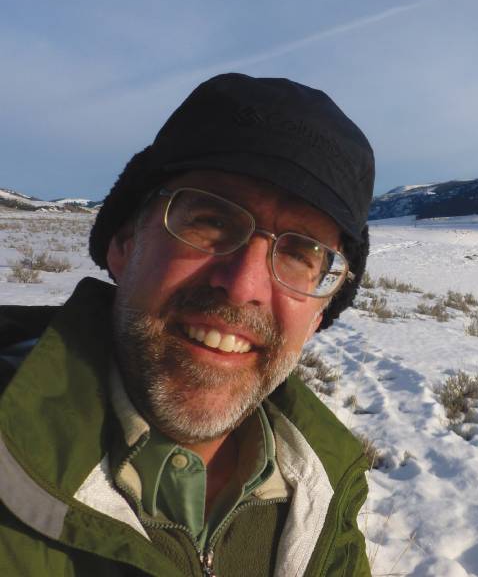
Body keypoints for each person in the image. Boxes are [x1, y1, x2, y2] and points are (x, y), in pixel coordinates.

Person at [0, 73, 375, 576]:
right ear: (124, 241)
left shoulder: (326, 491)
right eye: (211, 220)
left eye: (300, 252)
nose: (244, 285)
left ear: (320, 313)